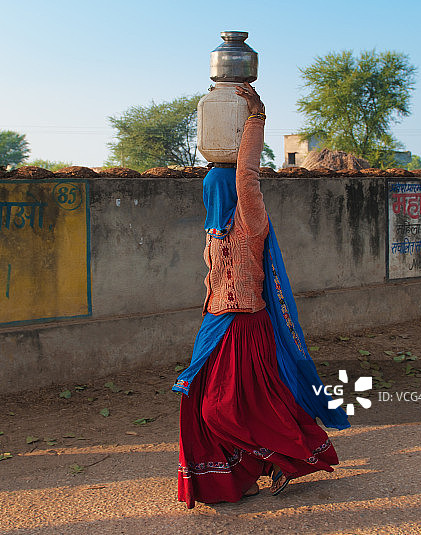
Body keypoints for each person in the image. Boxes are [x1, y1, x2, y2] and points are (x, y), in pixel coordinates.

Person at [173, 83, 349, 509]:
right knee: (204, 406)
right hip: (215, 326)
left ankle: (278, 460)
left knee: (227, 409)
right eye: (207, 192)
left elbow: (246, 175)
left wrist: (256, 118)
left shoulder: (249, 219)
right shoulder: (214, 230)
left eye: (215, 191)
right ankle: (240, 478)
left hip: (246, 326)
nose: (210, 197)